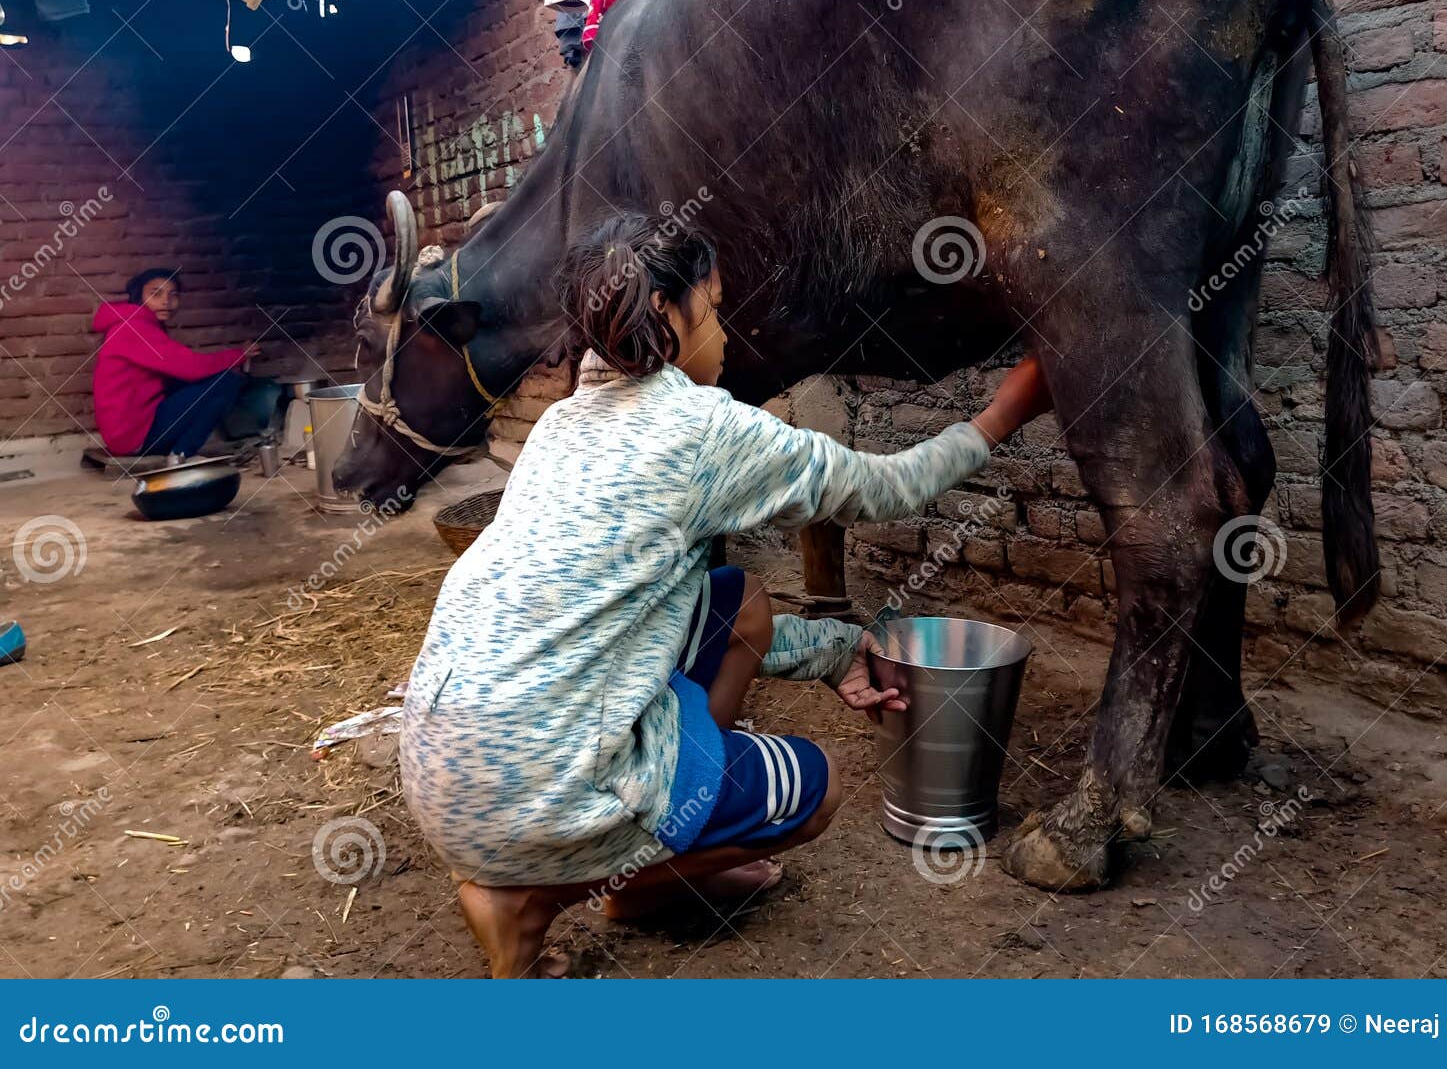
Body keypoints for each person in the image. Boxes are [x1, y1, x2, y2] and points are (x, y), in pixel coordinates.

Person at [400, 212, 1056, 978]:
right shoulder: (705, 428)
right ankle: (535, 897)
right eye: (712, 308)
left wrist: (837, 651)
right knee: (817, 791)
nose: (723, 334)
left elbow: (664, 625)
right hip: (537, 791)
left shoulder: (558, 427)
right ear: (665, 316)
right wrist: (1007, 410)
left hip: (442, 771)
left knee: (736, 597)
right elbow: (889, 488)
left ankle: (648, 870)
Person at [90, 267, 263, 458]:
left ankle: (178, 454)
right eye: (156, 294)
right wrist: (239, 355)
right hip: (134, 437)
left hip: (133, 430)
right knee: (224, 381)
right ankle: (180, 455)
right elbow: (192, 368)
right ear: (138, 297)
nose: (166, 301)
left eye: (173, 295)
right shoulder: (133, 328)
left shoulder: (138, 324)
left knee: (199, 382)